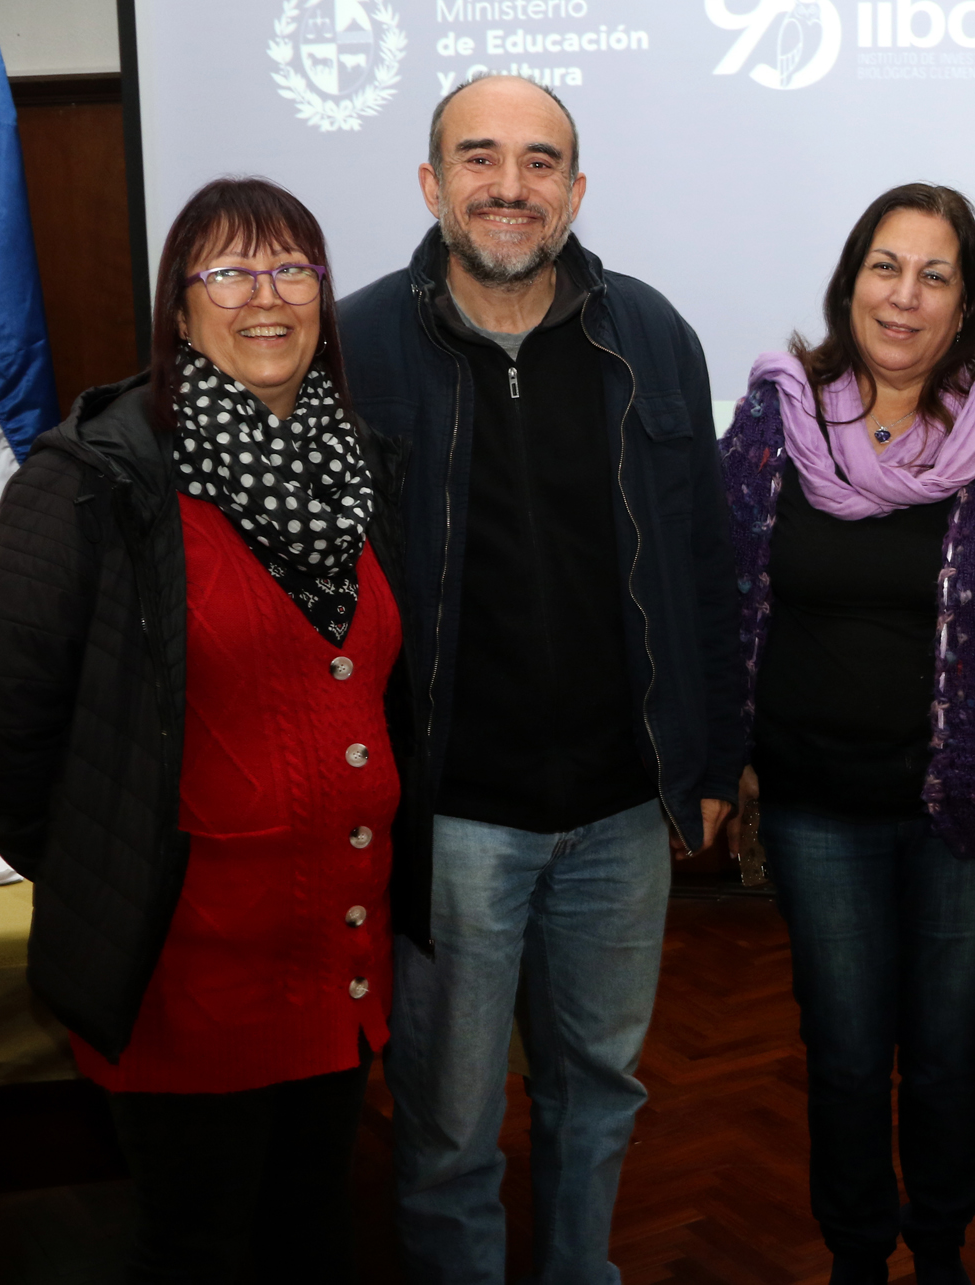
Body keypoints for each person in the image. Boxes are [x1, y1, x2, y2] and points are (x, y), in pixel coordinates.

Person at [337, 76, 741, 1283]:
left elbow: (703, 563)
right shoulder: (356, 345)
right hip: (450, 815)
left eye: (538, 161)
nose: (509, 185)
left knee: (597, 1093)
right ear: (430, 183)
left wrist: (710, 761)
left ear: (574, 189)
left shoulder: (652, 333)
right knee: (449, 1125)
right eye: (479, 157)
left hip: (619, 814)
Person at [0, 176, 418, 1282]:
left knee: (315, 1235)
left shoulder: (361, 468)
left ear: (323, 296)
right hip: (187, 976)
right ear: (179, 310)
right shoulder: (93, 478)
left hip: (338, 956)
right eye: (227, 270)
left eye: (291, 268)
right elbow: (8, 728)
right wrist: (112, 863)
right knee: (201, 1252)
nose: (264, 295)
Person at [718, 182, 975, 1285]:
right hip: (816, 805)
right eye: (886, 266)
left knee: (941, 1054)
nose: (905, 295)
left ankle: (943, 1245)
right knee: (838, 1050)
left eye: (935, 274)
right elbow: (728, 593)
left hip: (956, 809)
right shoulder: (775, 422)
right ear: (849, 281)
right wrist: (720, 751)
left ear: (963, 304)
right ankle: (858, 1252)